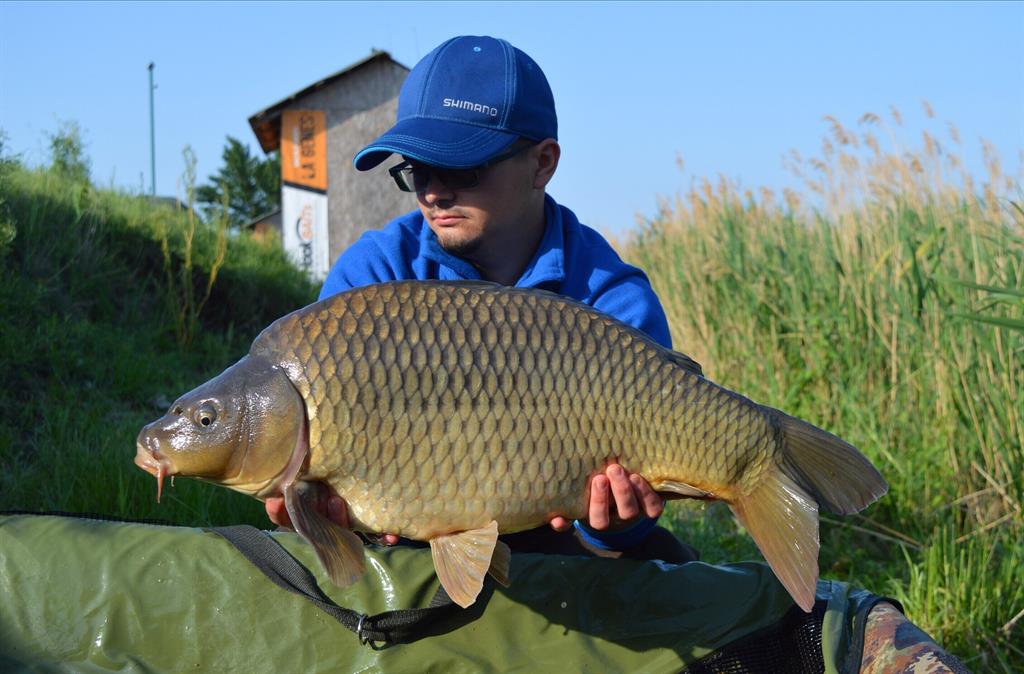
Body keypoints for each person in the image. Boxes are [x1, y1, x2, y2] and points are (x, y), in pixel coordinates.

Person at [266, 35, 696, 563]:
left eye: (462, 168)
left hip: (560, 545)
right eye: (417, 170)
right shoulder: (372, 278)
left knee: (654, 563)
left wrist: (616, 524)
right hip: (410, 544)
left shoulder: (610, 299)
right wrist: (330, 521)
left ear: (543, 163)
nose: (433, 193)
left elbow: (628, 524)